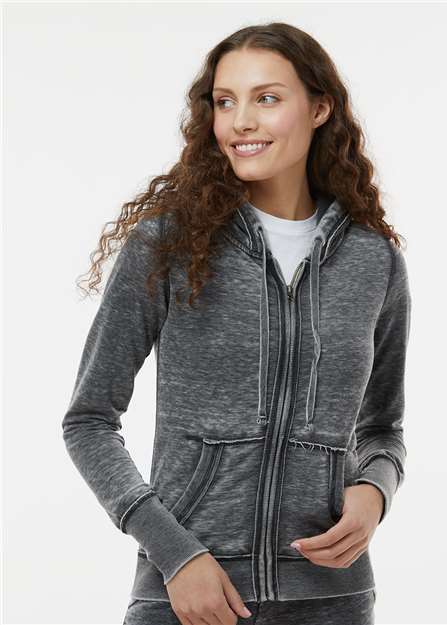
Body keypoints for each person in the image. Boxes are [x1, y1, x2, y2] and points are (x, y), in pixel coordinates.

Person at [62, 21, 411, 625]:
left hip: (332, 599)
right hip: (190, 595)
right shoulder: (169, 245)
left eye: (266, 98)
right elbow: (88, 422)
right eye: (225, 102)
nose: (240, 121)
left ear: (320, 108)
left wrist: (373, 492)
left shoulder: (373, 259)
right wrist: (175, 554)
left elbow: (383, 428)